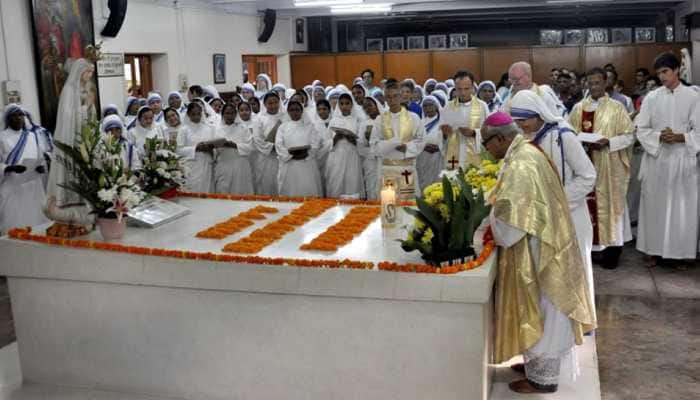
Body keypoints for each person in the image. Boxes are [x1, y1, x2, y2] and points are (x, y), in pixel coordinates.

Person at [481, 112, 595, 394]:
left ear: (499, 138)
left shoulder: (522, 163)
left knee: (544, 306)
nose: (486, 149)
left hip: (540, 249)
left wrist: (490, 228)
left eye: (486, 143)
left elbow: (512, 223)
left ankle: (543, 379)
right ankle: (535, 362)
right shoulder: (524, 152)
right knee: (539, 307)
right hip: (543, 240)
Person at [510, 90, 597, 319]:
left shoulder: (563, 135)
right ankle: (554, 324)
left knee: (575, 269)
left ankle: (580, 319)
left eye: (524, 120)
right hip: (541, 217)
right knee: (550, 272)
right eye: (516, 121)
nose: (521, 126)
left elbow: (588, 175)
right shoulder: (522, 138)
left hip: (571, 214)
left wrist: (558, 200)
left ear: (538, 114)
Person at [635, 52, 700, 264]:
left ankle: (681, 253)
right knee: (655, 207)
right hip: (658, 158)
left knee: (682, 208)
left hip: (683, 159)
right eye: (659, 73)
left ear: (677, 71)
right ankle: (653, 250)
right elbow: (641, 129)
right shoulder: (652, 98)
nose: (662, 77)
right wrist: (659, 136)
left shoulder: (694, 96)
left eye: (665, 71)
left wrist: (681, 137)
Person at [569, 68, 635, 269]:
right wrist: (582, 141)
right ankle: (589, 249)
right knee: (585, 206)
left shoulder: (616, 108)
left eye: (598, 82)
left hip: (609, 167)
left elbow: (629, 135)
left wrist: (609, 142)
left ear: (606, 83)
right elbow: (569, 135)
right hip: (585, 164)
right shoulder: (578, 108)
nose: (594, 87)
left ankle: (612, 251)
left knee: (611, 206)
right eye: (590, 83)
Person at [370, 80, 425, 201]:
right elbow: (373, 145)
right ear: (385, 99)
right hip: (387, 170)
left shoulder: (414, 118)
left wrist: (407, 147)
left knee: (408, 208)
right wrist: (389, 144)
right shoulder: (380, 120)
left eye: (395, 96)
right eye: (388, 97)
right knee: (390, 209)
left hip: (407, 169)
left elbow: (421, 141)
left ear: (401, 97)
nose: (392, 100)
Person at [0, 104, 50, 233]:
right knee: (14, 226)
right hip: (13, 186)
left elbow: (40, 157)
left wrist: (41, 167)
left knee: (37, 224)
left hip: (33, 186)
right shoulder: (2, 138)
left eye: (20, 115)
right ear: (7, 119)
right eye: (14, 115)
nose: (18, 118)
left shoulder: (32, 136)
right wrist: (9, 168)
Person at [439, 70, 488, 170]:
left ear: (473, 88)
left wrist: (474, 133)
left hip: (474, 153)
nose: (463, 93)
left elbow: (489, 131)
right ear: (455, 88)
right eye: (459, 89)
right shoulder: (448, 107)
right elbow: (440, 134)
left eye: (466, 89)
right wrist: (444, 134)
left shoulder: (482, 106)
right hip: (453, 155)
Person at [275, 100, 322, 196]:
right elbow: (279, 145)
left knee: (307, 189)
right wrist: (290, 155)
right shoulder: (283, 127)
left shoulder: (309, 126)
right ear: (288, 112)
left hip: (306, 163)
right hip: (289, 163)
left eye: (297, 110)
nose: (294, 112)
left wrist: (306, 154)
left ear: (302, 111)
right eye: (292, 110)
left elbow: (316, 143)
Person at [325, 93, 364, 198]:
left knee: (351, 181)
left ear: (352, 105)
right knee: (336, 182)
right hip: (336, 155)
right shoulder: (333, 120)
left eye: (347, 103)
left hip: (352, 154)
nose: (344, 106)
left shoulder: (357, 120)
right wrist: (335, 139)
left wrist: (352, 139)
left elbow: (362, 140)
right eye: (341, 104)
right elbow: (326, 142)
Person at [213, 102, 254, 195]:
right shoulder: (217, 129)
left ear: (236, 114)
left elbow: (249, 147)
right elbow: (214, 151)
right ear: (223, 115)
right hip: (224, 164)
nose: (229, 115)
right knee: (223, 190)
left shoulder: (243, 128)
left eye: (232, 113)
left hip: (240, 165)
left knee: (241, 191)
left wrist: (235, 145)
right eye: (227, 113)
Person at [253, 92, 288, 195]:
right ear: (265, 104)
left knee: (282, 183)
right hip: (266, 158)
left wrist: (281, 149)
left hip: (283, 156)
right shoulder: (259, 119)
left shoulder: (285, 117)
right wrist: (272, 147)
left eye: (275, 102)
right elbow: (257, 139)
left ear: (279, 102)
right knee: (267, 184)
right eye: (270, 103)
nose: (273, 105)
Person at [177, 102, 216, 193]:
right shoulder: (184, 130)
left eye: (199, 114)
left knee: (208, 191)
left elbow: (215, 147)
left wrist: (211, 150)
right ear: (188, 114)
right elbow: (178, 150)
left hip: (207, 164)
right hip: (191, 166)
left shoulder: (209, 128)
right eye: (193, 114)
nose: (196, 116)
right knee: (193, 191)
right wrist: (195, 148)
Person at [415, 95, 444, 193]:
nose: (428, 108)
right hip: (423, 157)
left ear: (436, 106)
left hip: (438, 157)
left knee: (437, 185)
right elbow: (415, 140)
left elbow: (447, 141)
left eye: (430, 105)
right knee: (423, 184)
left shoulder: (442, 122)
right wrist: (424, 146)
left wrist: (439, 147)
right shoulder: (419, 123)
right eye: (425, 106)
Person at [358, 97, 382, 200]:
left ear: (376, 105)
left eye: (370, 105)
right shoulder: (364, 124)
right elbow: (360, 143)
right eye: (365, 107)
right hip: (370, 160)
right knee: (371, 187)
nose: (368, 108)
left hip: (383, 159)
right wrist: (371, 152)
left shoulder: (386, 120)